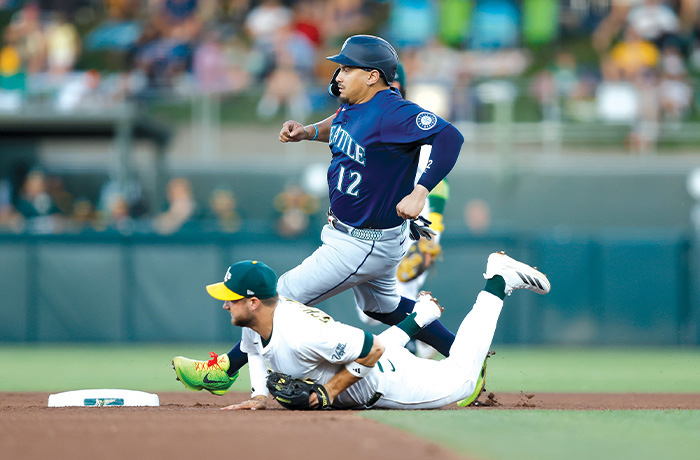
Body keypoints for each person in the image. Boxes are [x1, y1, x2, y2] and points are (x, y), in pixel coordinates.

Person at [172, 34, 464, 396]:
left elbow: (450, 137)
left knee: (276, 295)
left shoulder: (393, 111)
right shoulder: (355, 104)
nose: (338, 74)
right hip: (354, 234)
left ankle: (225, 369)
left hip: (363, 241)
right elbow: (342, 124)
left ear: (372, 75)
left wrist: (421, 190)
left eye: (346, 67)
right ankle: (463, 358)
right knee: (384, 305)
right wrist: (309, 131)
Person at [173, 252, 550, 410]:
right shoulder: (257, 321)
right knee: (458, 370)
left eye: (232, 298)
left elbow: (372, 350)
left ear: (254, 301)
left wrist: (327, 392)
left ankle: (499, 278)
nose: (225, 303)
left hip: (389, 381)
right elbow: (254, 350)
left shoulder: (301, 330)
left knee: (464, 380)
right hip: (371, 376)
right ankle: (487, 284)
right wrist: (258, 394)